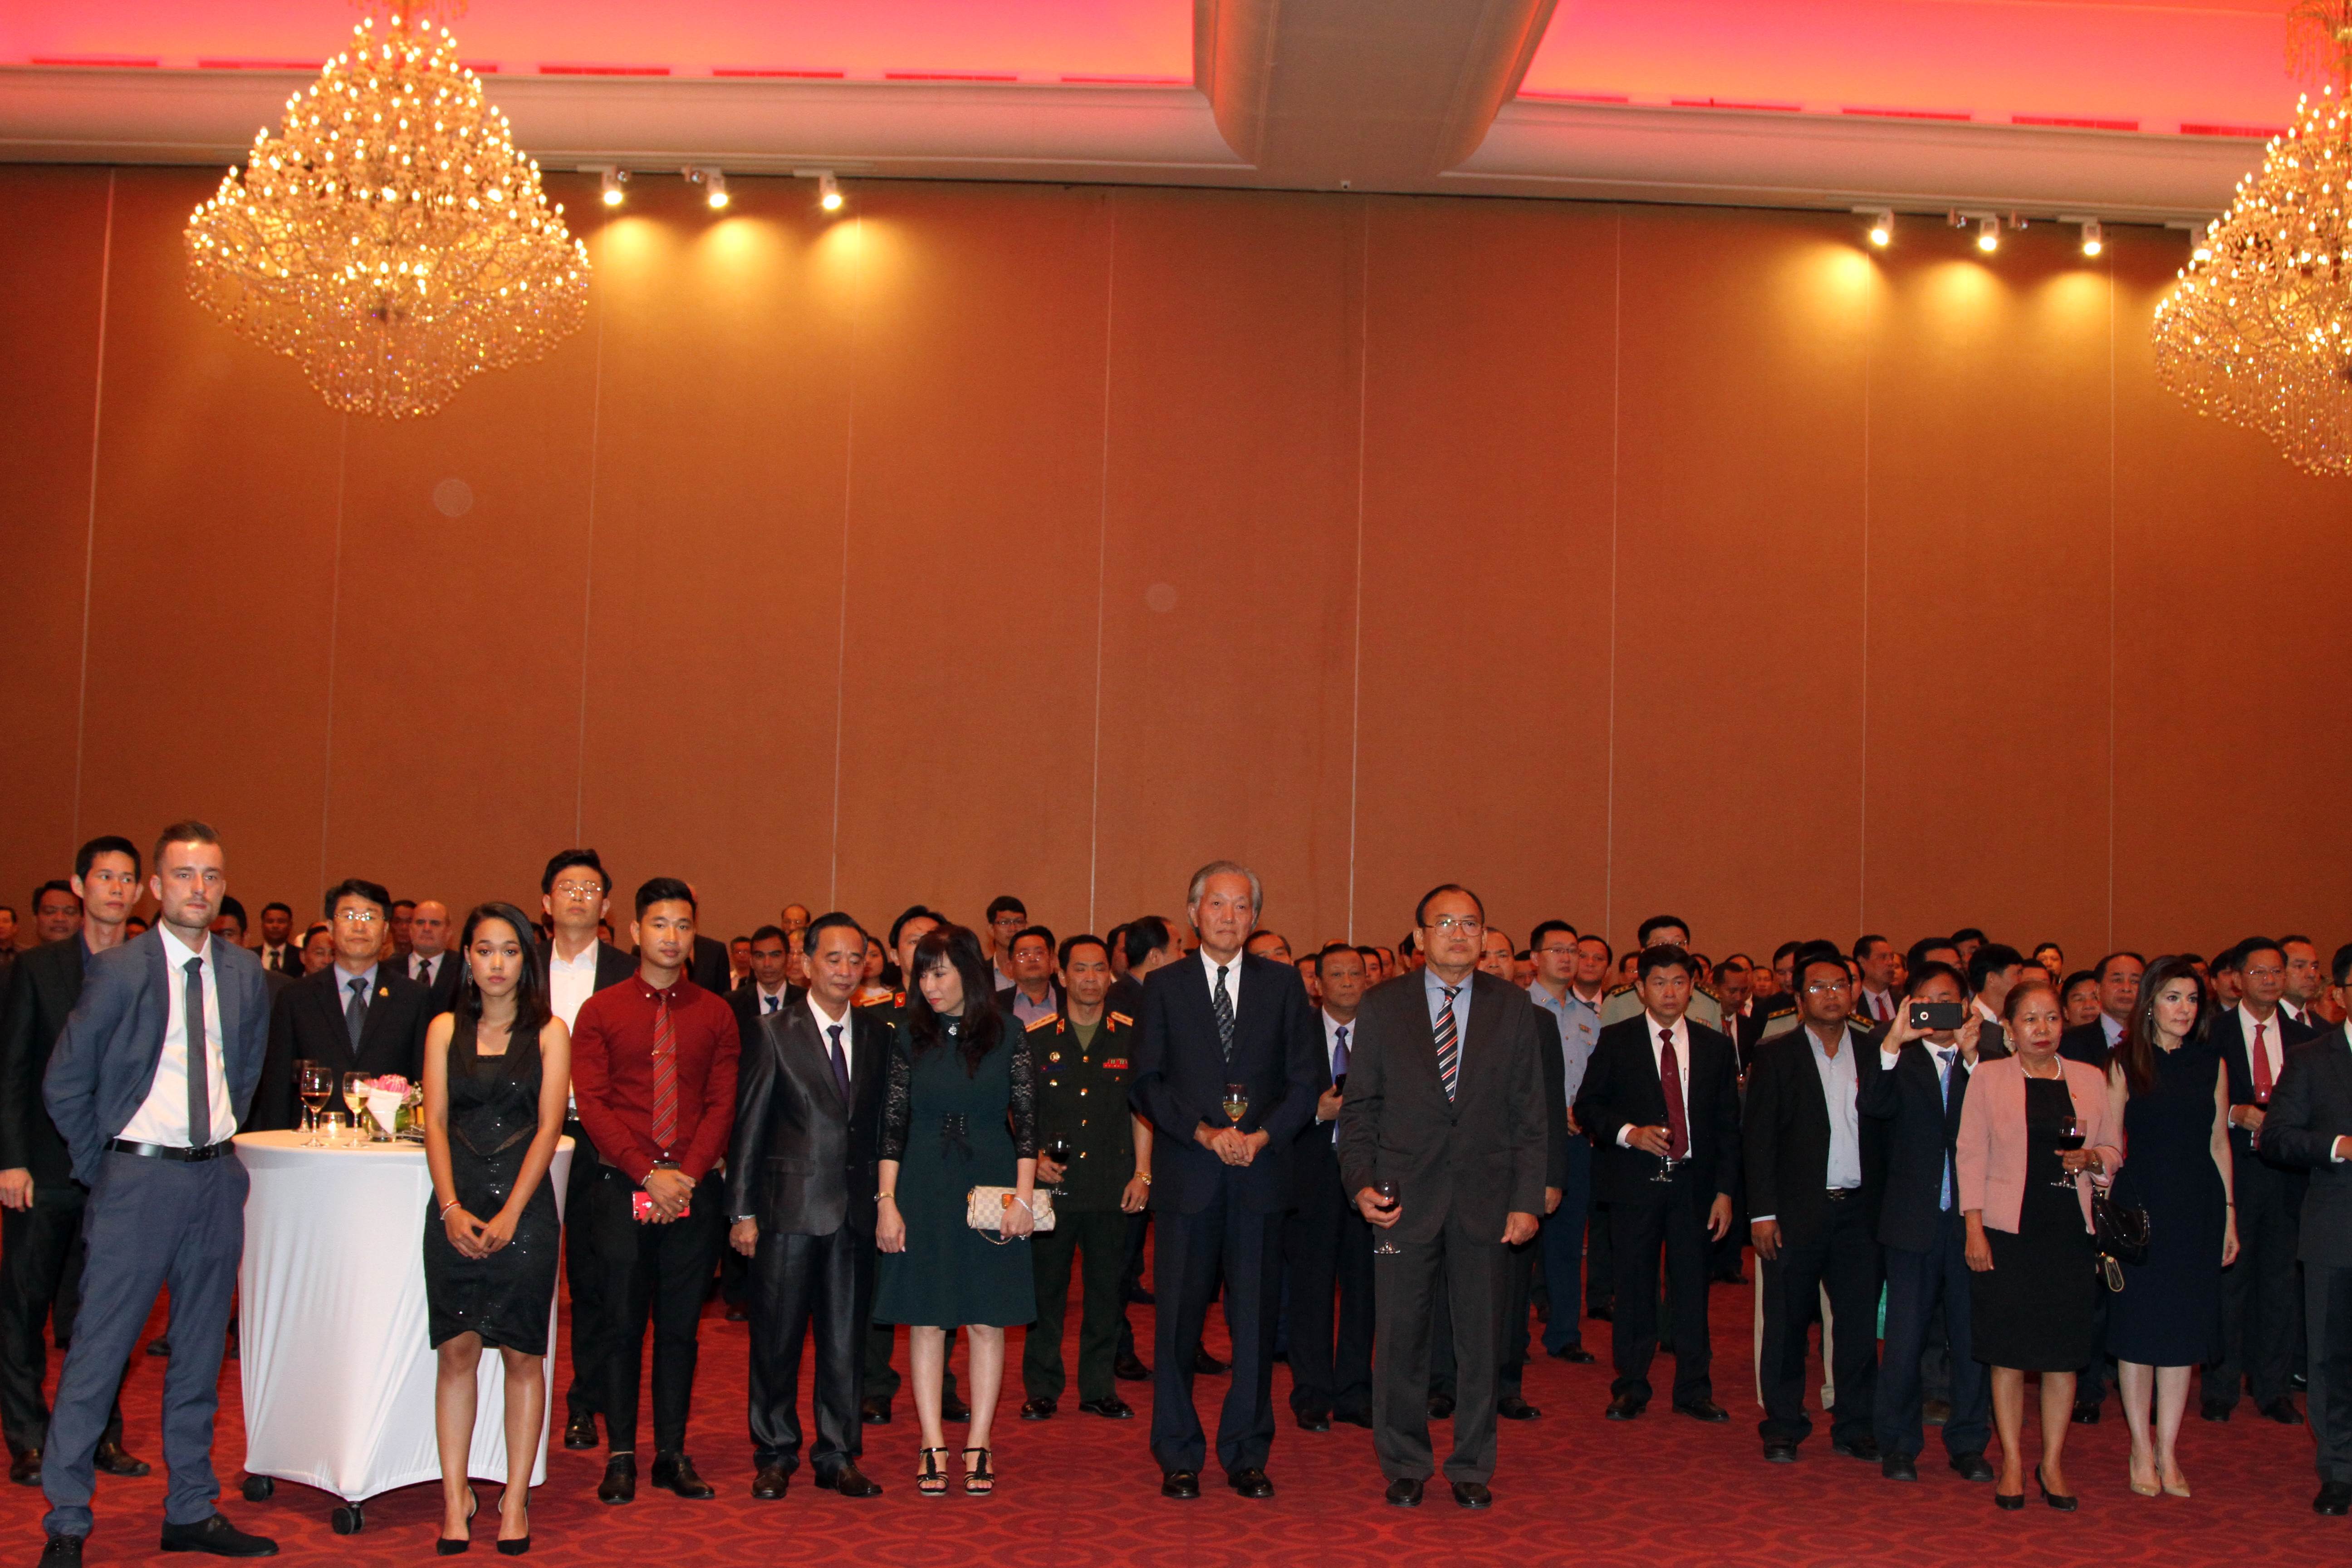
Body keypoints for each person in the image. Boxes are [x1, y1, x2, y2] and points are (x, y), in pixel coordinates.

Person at [37, 821, 274, 1564]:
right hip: (137, 1181)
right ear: (156, 886)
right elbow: (64, 1082)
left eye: (211, 876)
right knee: (99, 1354)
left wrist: (214, 1153)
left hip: (216, 1179)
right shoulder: (120, 969)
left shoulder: (245, 974)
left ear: (224, 885)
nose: (198, 889)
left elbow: (243, 1075)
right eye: (183, 875)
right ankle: (67, 1520)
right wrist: (105, 1166)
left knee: (200, 1355)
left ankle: (190, 1509)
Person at [1338, 885, 1545, 1509]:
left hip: (1487, 1198)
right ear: (1420, 937)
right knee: (1401, 1337)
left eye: (1471, 924)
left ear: (1484, 936)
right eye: (1445, 923)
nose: (1459, 934)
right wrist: (1359, 1184)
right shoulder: (1384, 1004)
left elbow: (1530, 1112)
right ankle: (1404, 1460)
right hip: (1403, 1199)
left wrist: (1527, 1199)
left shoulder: (1513, 1006)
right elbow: (1361, 1108)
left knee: (1481, 1342)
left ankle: (1472, 1464)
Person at [1129, 862, 1322, 1501]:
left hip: (1261, 1175)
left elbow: (1306, 1081)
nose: (1229, 917)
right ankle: (1177, 1452)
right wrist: (1204, 1134)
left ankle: (1247, 1452)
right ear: (1193, 913)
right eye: (1217, 904)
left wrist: (1262, 1136)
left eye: (1242, 907)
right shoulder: (1165, 986)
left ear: (1255, 918)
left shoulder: (1284, 984)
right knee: (1177, 1323)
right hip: (1189, 1177)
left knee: (1255, 1322)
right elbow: (1146, 1081)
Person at [568, 878, 740, 1505]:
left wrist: (685, 1177)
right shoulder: (600, 1011)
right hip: (621, 1188)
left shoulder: (716, 1013)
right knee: (620, 1326)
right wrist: (648, 1174)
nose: (672, 937)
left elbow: (721, 1104)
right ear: (635, 930)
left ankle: (671, 1453)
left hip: (694, 1191)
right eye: (660, 924)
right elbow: (594, 1105)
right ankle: (621, 1456)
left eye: (684, 925)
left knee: (680, 1330)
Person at [0, 838, 152, 1489]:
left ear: (140, 892)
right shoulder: (38, 969)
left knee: (106, 1313)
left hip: (122, 1171)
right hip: (42, 1168)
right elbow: (11, 1071)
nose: (115, 889)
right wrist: (11, 1160)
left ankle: (99, 1434)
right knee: (24, 1308)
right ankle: (28, 1438)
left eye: (126, 879)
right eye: (103, 877)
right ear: (79, 885)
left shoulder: (152, 968)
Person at [422, 903, 571, 1555]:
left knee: (521, 1355)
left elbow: (549, 1127)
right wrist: (451, 1207)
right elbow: (433, 1123)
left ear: (526, 961)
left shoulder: (551, 1032)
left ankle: (514, 1496)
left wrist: (511, 1212)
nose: (498, 964)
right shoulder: (444, 1028)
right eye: (485, 950)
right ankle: (455, 1497)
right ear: (468, 959)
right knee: (456, 1353)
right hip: (454, 1207)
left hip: (525, 1211)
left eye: (510, 951)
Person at [727, 913, 887, 1501]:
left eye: (855, 959)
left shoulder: (878, 1035)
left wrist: (887, 1201)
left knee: (845, 1342)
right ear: (807, 963)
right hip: (786, 1212)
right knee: (777, 1339)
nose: (845, 970)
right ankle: (775, 1452)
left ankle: (838, 1454)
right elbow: (749, 1125)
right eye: (833, 959)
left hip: (855, 1214)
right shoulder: (773, 1032)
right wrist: (741, 1211)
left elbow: (880, 1127)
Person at [874, 926, 1038, 1497]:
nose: (929, 984)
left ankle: (980, 1441)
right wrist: (887, 1202)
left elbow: (1028, 1122)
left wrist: (1023, 1197)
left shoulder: (1008, 1033)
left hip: (991, 1180)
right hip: (922, 1184)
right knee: (926, 1319)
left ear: (969, 972)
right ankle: (931, 1441)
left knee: (987, 1319)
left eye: (939, 972)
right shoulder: (908, 1036)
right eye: (923, 972)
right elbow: (892, 1125)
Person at [1957, 976, 2121, 1509]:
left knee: (2062, 1357)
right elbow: (1970, 1155)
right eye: (2029, 1019)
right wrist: (1974, 1228)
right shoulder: (1990, 1078)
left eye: (2051, 1018)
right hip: (2008, 1231)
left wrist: (2093, 1159)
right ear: (2009, 1028)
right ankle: (2010, 1461)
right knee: (2007, 1354)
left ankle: (2051, 1462)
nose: (2042, 1029)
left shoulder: (2089, 1078)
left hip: (2070, 1231)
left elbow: (2113, 1149)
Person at [1575, 944, 1740, 1423]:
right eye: (1660, 983)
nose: (1670, 992)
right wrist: (1630, 1133)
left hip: (1694, 1185)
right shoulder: (1616, 1039)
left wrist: (1725, 1192)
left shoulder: (1714, 1046)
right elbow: (1588, 1106)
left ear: (1693, 988)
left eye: (1680, 982)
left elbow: (1728, 1127)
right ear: (1641, 988)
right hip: (1634, 1182)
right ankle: (1631, 1386)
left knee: (1693, 1289)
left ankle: (1694, 1388)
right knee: (1634, 1287)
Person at [1745, 948, 1884, 1465]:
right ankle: (1783, 1424)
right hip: (1795, 1212)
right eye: (1819, 987)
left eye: (1840, 986)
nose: (1831, 995)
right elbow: (1758, 1140)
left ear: (1853, 993)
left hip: (1860, 1213)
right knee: (1786, 1323)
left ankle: (1855, 1424)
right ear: (1799, 999)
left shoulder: (1875, 1052)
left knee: (1857, 1326)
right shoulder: (1775, 1054)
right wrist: (1762, 1213)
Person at [2102, 955, 2234, 1499]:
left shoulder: (2211, 1063)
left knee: (2183, 1334)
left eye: (2192, 999)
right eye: (2173, 998)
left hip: (2198, 1207)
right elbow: (2111, 1144)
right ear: (2150, 1003)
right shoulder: (2125, 1061)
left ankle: (2168, 1449)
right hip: (2142, 1208)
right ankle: (2140, 1446)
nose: (2184, 1009)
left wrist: (2230, 1214)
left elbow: (2219, 1143)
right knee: (2139, 1331)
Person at [1864, 960, 2000, 1485]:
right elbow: (1873, 1107)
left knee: (1971, 1338)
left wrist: (1971, 1058)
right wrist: (1894, 1041)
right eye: (1928, 1000)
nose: (1939, 1010)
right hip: (1911, 1221)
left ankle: (1969, 1442)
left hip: (1973, 1221)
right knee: (1904, 1339)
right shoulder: (1893, 1052)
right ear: (1910, 1004)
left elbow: (2001, 1124)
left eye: (1950, 1001)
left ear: (1966, 1007)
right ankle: (1898, 1443)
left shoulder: (1990, 1056)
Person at [1021, 935, 1151, 1423]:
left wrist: (1143, 1173)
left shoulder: (1131, 1037)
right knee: (1045, 1294)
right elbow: (1017, 1110)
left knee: (1106, 1294)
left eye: (1099, 969)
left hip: (1111, 1183)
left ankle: (1098, 1387)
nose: (1091, 979)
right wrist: (1032, 1158)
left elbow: (1143, 1112)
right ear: (1062, 975)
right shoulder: (1036, 1039)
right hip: (1051, 1188)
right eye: (1080, 969)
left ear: (1109, 977)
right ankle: (1042, 1389)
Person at [537, 848, 635, 1455]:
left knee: (595, 1279)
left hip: (602, 1141)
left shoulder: (629, 972)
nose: (578, 896)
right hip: (529, 1136)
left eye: (590, 888)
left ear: (606, 905)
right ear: (545, 903)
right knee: (523, 1269)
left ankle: (585, 1402)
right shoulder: (518, 965)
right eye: (567, 887)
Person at [857, 906, 966, 1427]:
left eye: (932, 942)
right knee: (883, 1278)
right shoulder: (874, 1015)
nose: (921, 952)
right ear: (894, 954)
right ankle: (875, 1384)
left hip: (941, 1165)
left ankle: (941, 1385)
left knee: (945, 1275)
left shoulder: (961, 1021)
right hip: (881, 1163)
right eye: (911, 942)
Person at [2209, 936, 2320, 1425]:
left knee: (2280, 1283)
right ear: (2237, 979)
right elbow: (2196, 1098)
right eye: (2259, 972)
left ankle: (2273, 1388)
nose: (2271, 980)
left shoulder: (2305, 1039)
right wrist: (2234, 1112)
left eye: (2278, 971)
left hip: (2288, 1177)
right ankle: (2220, 1386)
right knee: (2229, 1282)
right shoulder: (2213, 1033)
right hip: (2233, 1171)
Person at [2261, 944, 2352, 1515]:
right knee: (2332, 1358)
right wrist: (2338, 1146)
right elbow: (2277, 1137)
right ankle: (2339, 1468)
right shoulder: (2314, 1059)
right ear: (2339, 994)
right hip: (2337, 1230)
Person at [252, 878, 432, 1131]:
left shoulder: (413, 998)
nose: (359, 926)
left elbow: (424, 1085)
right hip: (312, 1141)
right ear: (330, 927)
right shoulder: (296, 997)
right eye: (348, 916)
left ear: (385, 930)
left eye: (370, 917)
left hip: (387, 1141)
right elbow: (277, 1087)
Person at [1284, 945, 1376, 1432]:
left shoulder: (1387, 1032)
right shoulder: (1294, 1033)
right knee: (1310, 1291)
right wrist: (1315, 1113)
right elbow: (1273, 1101)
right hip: (1310, 1178)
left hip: (1370, 1180)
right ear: (1317, 985)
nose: (1346, 982)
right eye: (1335, 975)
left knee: (1365, 1289)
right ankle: (1312, 1392)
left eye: (1355, 974)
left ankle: (1356, 1392)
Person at [2060, 951, 2143, 1069]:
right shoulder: (2069, 1043)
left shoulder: (2158, 1039)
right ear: (2098, 990)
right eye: (2117, 980)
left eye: (2135, 981)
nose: (2126, 988)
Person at [407, 900, 462, 1013]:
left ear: (449, 932)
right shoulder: (388, 969)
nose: (427, 929)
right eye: (420, 922)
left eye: (435, 923)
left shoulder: (464, 969)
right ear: (411, 930)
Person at [1004, 928, 1060, 1029]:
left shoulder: (1070, 1000)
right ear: (1010, 967)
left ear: (1052, 963)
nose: (1032, 959)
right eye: (1024, 954)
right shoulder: (995, 1005)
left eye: (1039, 953)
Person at [984, 897, 1027, 993]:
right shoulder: (979, 974)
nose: (1013, 929)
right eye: (1005, 923)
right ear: (991, 929)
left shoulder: (1036, 970)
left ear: (1026, 927)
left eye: (1019, 922)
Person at [254, 902, 300, 977]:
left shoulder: (301, 956)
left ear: (290, 925)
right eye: (270, 922)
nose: (275, 926)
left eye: (281, 922)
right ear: (262, 925)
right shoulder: (251, 956)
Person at [28, 886, 80, 950]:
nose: (60, 919)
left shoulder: (91, 957)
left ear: (83, 920)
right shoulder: (24, 956)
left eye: (70, 912)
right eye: (50, 911)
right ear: (35, 919)